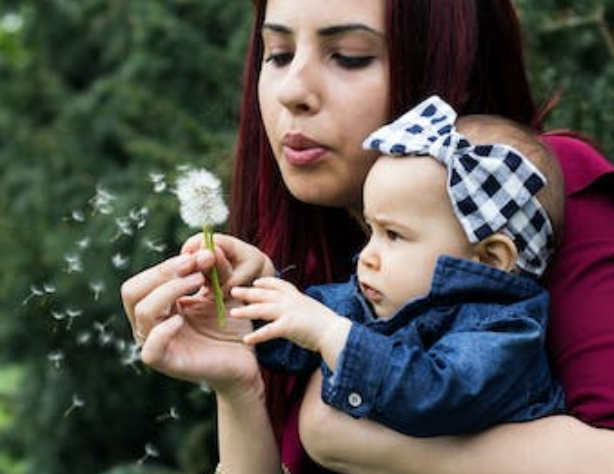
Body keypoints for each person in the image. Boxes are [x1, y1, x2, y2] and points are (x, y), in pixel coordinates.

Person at [121, 0, 614, 473]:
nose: (293, 90)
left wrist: (342, 435)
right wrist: (237, 376)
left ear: (445, 59)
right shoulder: (333, 258)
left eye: (349, 57)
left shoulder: (531, 191)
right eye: (278, 54)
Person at [229, 95, 566, 437]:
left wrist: (332, 334)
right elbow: (302, 326)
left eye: (393, 234)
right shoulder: (381, 299)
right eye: (371, 231)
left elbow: (435, 395)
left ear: (491, 259)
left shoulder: (506, 333)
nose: (366, 256)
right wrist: (244, 303)